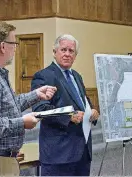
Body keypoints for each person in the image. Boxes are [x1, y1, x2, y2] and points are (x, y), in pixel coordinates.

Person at [0, 21, 57, 176]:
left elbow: (7, 108)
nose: (15, 49)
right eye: (14, 43)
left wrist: (36, 95)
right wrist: (22, 122)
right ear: (3, 46)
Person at [31, 34, 100, 176]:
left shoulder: (76, 76)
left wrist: (93, 111)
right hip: (59, 154)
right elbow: (40, 109)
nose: (67, 54)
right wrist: (68, 116)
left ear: (75, 55)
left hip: (82, 151)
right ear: (55, 52)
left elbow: (83, 101)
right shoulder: (44, 76)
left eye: (71, 51)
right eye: (63, 50)